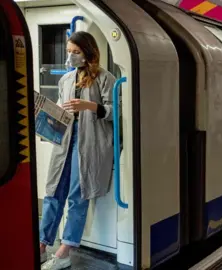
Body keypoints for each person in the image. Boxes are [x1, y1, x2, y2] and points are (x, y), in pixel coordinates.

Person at [39, 31, 116, 270]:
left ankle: (65, 251)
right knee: (53, 192)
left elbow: (116, 112)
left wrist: (90, 106)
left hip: (89, 144)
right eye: (69, 51)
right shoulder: (66, 80)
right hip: (65, 142)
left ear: (88, 53)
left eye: (76, 52)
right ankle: (42, 244)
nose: (70, 56)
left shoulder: (105, 78)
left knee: (76, 197)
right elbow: (65, 112)